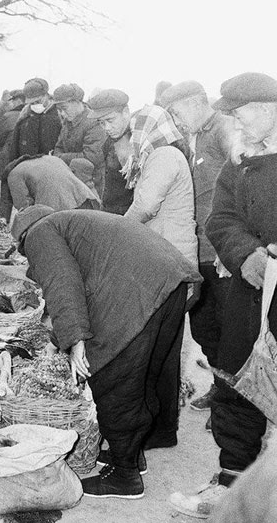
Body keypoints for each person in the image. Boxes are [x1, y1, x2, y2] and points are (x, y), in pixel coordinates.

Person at [11, 206, 201, 499]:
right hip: (170, 281)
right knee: (142, 379)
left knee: (115, 380)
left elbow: (63, 283)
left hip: (136, 289)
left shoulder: (39, 233)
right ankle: (132, 455)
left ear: (22, 239)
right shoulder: (74, 223)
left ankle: (125, 478)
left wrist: (75, 340)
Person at [170, 72, 277, 519]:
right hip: (250, 294)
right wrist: (246, 254)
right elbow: (222, 219)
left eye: (241, 111)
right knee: (237, 384)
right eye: (230, 113)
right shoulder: (239, 163)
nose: (234, 120)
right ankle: (234, 480)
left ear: (269, 109)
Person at [161, 80, 234, 416]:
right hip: (200, 250)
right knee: (204, 327)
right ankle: (221, 391)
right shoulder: (196, 136)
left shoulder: (224, 129)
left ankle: (235, 404)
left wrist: (228, 247)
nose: (177, 120)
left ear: (195, 103)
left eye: (177, 113)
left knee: (230, 331)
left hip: (222, 254)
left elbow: (241, 185)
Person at [124, 104, 198, 268]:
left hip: (171, 253)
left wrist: (120, 228)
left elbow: (146, 206)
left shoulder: (164, 155)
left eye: (135, 132)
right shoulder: (163, 154)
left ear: (149, 130)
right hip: (169, 250)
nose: (131, 139)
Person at [0, 154, 100, 222]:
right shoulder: (51, 158)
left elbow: (24, 208)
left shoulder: (14, 174)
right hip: (86, 201)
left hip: (57, 211)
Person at [52, 83, 106, 196]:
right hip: (73, 182)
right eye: (59, 110)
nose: (61, 113)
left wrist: (60, 157)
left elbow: (92, 157)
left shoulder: (93, 122)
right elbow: (58, 147)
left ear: (77, 102)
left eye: (64, 108)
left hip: (93, 185)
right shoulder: (68, 123)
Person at [88, 89, 134, 214]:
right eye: (102, 123)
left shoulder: (138, 143)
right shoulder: (109, 142)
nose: (107, 128)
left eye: (110, 120)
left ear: (125, 112)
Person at [7, 77, 62, 163]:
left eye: (38, 101)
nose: (35, 105)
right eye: (32, 103)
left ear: (46, 95)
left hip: (48, 168)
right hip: (25, 166)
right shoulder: (24, 116)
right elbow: (14, 146)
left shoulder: (58, 116)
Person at [0, 89, 25, 177]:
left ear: (18, 101)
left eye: (13, 101)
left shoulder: (8, 116)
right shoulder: (37, 115)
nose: (12, 104)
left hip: (9, 158)